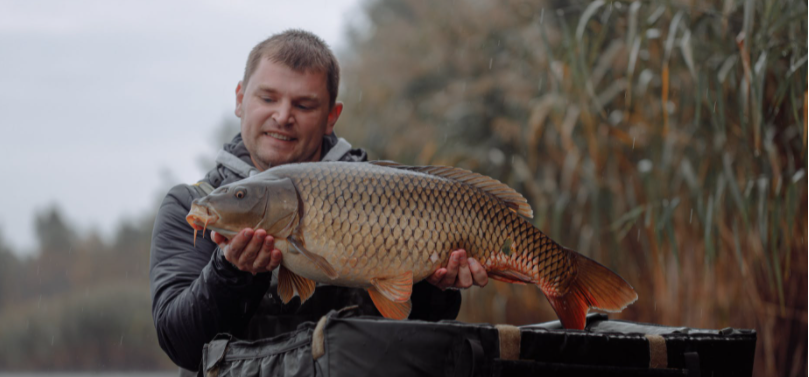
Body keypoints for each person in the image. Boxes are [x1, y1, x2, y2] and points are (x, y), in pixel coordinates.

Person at [149, 29, 489, 374]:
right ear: (240, 98)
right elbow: (182, 344)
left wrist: (437, 286)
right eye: (268, 98)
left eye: (303, 104)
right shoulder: (192, 203)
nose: (283, 116)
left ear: (331, 116)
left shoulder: (383, 191)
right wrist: (231, 273)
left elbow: (417, 331)